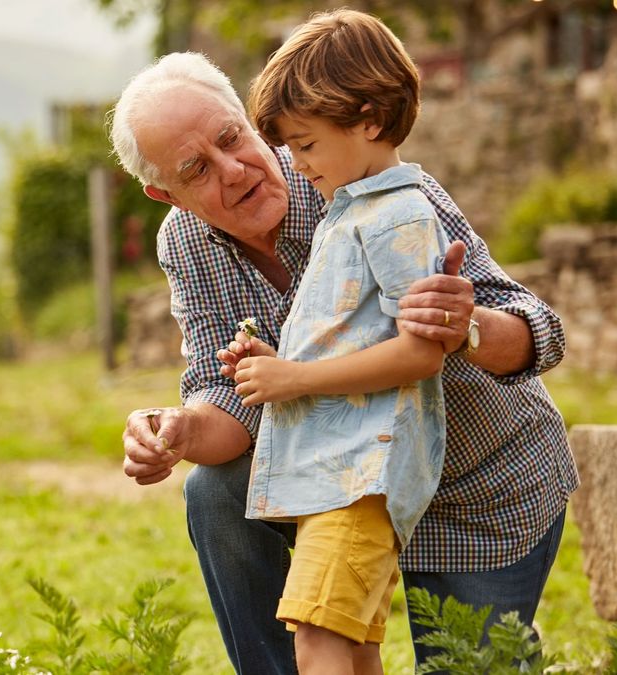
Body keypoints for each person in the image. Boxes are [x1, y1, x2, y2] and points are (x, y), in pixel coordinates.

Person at [110, 47, 577, 674]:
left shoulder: (372, 183)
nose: (234, 168)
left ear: (248, 119)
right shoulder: (187, 242)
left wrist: (464, 323)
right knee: (215, 490)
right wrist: (181, 430)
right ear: (165, 193)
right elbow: (227, 396)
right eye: (197, 168)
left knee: (469, 666)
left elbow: (540, 331)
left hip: (473, 485)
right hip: (342, 490)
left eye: (231, 137)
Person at [227, 10, 449, 673]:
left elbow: (422, 351)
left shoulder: (399, 215)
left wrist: (292, 381)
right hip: (338, 472)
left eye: (307, 145)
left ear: (370, 120)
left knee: (318, 636)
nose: (296, 165)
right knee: (350, 642)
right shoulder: (350, 210)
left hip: (360, 475)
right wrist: (278, 365)